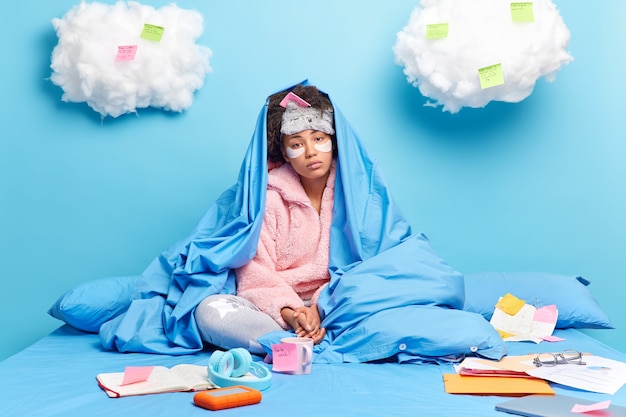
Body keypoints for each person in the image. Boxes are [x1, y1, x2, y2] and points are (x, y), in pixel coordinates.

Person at [194, 85, 337, 354]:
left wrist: (320, 306)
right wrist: (292, 314)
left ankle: (306, 339)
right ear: (284, 153)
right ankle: (285, 344)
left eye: (319, 139)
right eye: (296, 144)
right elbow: (255, 273)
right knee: (209, 312)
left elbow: (362, 266)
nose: (309, 151)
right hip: (274, 308)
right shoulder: (269, 198)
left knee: (385, 300)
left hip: (335, 303)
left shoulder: (353, 194)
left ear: (333, 140)